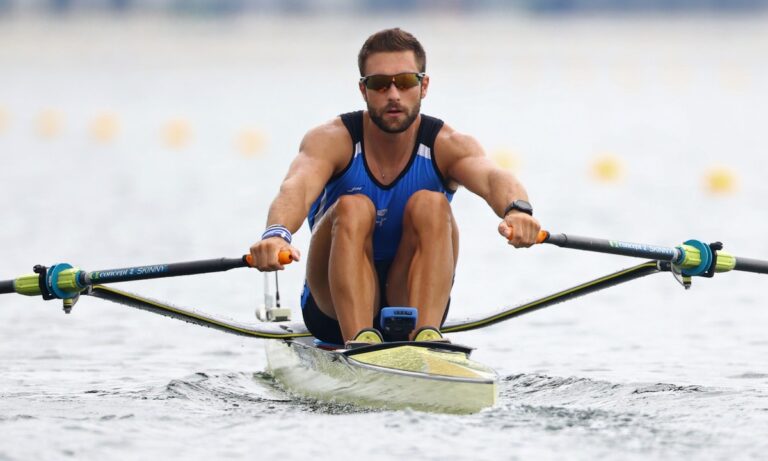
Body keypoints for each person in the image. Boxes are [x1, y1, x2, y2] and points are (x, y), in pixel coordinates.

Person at [249, 28, 540, 347]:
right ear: (363, 90)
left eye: (405, 82)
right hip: (330, 309)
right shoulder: (331, 140)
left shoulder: (448, 145)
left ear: (423, 86)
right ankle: (359, 340)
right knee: (353, 206)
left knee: (432, 204)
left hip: (411, 296)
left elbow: (493, 177)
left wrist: (518, 211)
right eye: (379, 84)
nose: (393, 95)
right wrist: (276, 235)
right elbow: (296, 189)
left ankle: (426, 337)